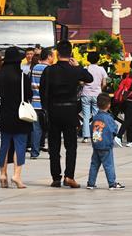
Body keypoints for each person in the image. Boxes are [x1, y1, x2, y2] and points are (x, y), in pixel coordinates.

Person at [40, 40, 93, 187]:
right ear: (70, 53)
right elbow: (89, 78)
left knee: (54, 147)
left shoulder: (49, 70)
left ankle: (56, 177)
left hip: (53, 111)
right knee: (71, 146)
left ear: (56, 53)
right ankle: (69, 176)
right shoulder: (75, 70)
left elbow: (42, 90)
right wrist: (78, 66)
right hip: (70, 111)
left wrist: (46, 108)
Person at [0, 47, 32, 188]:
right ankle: (16, 175)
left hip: (4, 113)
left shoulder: (0, 75)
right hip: (20, 115)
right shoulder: (22, 77)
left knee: (4, 145)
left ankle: (3, 174)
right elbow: (29, 95)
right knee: (19, 145)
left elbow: (0, 93)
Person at [85, 93, 124, 190]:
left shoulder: (95, 117)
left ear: (97, 105)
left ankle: (91, 183)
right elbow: (114, 129)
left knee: (94, 164)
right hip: (106, 145)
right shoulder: (108, 118)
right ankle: (112, 183)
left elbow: (91, 128)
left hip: (96, 144)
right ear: (109, 105)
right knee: (108, 165)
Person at [29, 48, 52, 158]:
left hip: (35, 103)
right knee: (51, 129)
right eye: (52, 56)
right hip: (47, 105)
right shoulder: (50, 70)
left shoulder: (34, 69)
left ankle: (34, 153)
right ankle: (52, 152)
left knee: (36, 129)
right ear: (48, 57)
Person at [80, 51, 108, 143]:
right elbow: (104, 83)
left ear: (88, 59)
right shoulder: (101, 69)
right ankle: (96, 136)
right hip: (97, 94)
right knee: (97, 115)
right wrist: (99, 88)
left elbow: (81, 82)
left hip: (86, 94)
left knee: (86, 116)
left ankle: (86, 137)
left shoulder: (85, 68)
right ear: (98, 59)